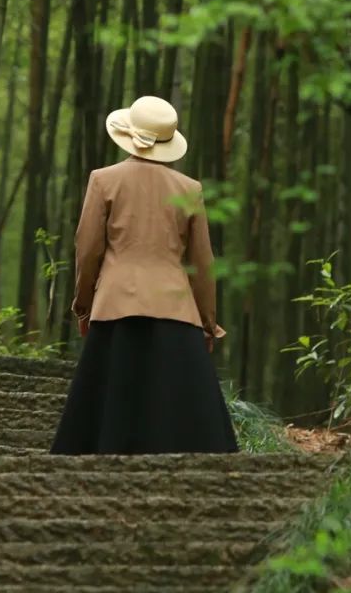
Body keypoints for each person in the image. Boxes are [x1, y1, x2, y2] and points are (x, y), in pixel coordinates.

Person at [50, 94, 238, 455]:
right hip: (175, 308)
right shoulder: (189, 189)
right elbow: (202, 263)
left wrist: (83, 305)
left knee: (108, 406)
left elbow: (87, 250)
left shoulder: (103, 180)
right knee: (180, 412)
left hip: (115, 305)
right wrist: (207, 322)